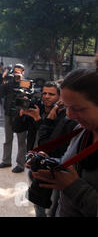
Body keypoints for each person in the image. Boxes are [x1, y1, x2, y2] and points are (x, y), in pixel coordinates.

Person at [30, 67, 98, 217]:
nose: (69, 115)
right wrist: (50, 164)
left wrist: (74, 187)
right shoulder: (82, 131)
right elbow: (72, 167)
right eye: (66, 107)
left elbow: (73, 183)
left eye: (78, 108)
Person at [20, 81, 78, 216]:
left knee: (51, 208)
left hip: (53, 168)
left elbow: (47, 144)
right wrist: (21, 113)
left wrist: (41, 120)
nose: (46, 96)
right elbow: (17, 128)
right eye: (44, 93)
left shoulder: (64, 117)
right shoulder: (36, 106)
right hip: (35, 163)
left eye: (51, 94)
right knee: (38, 205)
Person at [0, 63, 29, 173]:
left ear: (23, 73)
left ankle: (20, 165)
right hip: (8, 115)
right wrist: (3, 78)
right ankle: (6, 161)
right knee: (8, 139)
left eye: (19, 72)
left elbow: (29, 96)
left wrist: (21, 83)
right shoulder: (9, 83)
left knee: (21, 141)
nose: (17, 74)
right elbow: (0, 94)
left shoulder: (26, 83)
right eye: (15, 72)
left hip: (21, 116)